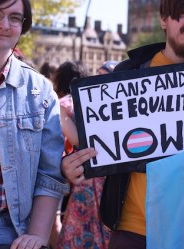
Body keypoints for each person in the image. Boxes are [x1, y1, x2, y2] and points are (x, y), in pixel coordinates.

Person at [61, 0, 184, 249]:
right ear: (164, 20)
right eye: (182, 13)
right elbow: (98, 143)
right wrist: (71, 164)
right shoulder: (127, 75)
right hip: (134, 231)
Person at [0, 0, 68, 248]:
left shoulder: (41, 92)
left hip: (9, 233)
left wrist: (36, 236)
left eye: (15, 18)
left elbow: (49, 174)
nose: (4, 25)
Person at [51, 61, 112, 249]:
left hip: (83, 176)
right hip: (102, 181)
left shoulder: (66, 103)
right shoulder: (109, 103)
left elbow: (77, 141)